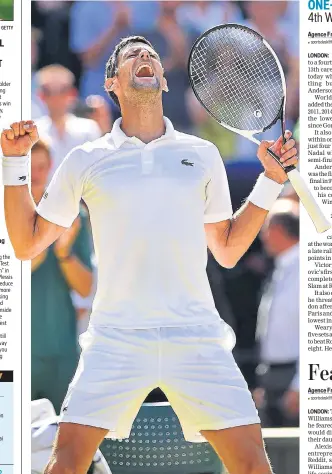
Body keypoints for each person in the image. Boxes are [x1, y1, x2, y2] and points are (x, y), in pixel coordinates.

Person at [1, 36, 298, 474]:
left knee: (253, 465)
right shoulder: (84, 159)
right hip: (115, 335)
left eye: (153, 55)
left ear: (162, 81)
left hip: (194, 332)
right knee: (65, 465)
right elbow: (27, 243)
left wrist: (271, 181)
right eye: (132, 55)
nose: (146, 57)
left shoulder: (201, 154)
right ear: (111, 83)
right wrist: (13, 162)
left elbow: (229, 248)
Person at [30, 139, 93, 413]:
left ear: (50, 168)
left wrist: (65, 251)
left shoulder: (72, 213)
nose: (34, 175)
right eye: (27, 168)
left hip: (62, 351)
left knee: (62, 442)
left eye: (41, 167)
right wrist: (45, 240)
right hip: (19, 352)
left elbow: (85, 286)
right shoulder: (7, 213)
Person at [254, 198, 299, 427]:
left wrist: (301, 385)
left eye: (265, 228)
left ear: (279, 229)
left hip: (294, 379)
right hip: (275, 377)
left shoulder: (305, 267)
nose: (262, 236)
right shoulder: (282, 267)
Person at [35, 64, 101, 178]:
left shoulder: (89, 129)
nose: (56, 97)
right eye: (48, 91)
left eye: (63, 90)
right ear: (40, 95)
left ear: (72, 93)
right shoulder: (33, 132)